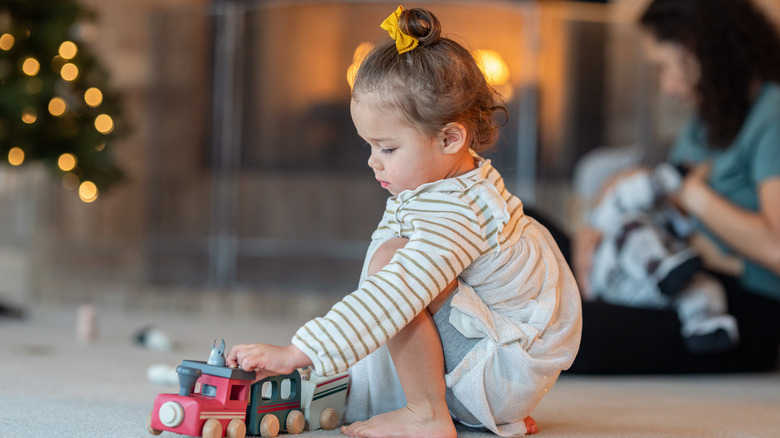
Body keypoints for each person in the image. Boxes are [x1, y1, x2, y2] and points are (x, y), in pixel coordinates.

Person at [226, 6, 582, 437]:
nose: (373, 162)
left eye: (388, 148)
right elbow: (377, 298)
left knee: (393, 264)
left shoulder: (456, 209)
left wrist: (300, 351)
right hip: (494, 364)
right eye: (369, 146)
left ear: (450, 138)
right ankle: (444, 406)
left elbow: (392, 292)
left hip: (496, 373)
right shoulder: (447, 185)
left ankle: (427, 414)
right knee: (390, 267)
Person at [570, 0, 780, 374]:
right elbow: (663, 195)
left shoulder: (773, 113)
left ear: (699, 51)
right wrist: (596, 225)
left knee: (566, 332)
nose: (666, 87)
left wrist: (695, 195)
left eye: (663, 67)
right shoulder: (705, 123)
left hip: (743, 306)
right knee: (527, 219)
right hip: (668, 275)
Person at [588, 162, 739, 354]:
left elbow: (684, 233)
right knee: (633, 228)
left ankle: (704, 327)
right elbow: (631, 193)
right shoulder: (618, 214)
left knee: (700, 284)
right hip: (614, 278)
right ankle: (658, 269)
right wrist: (668, 178)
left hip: (647, 292)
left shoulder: (666, 222)